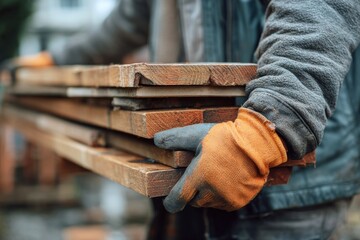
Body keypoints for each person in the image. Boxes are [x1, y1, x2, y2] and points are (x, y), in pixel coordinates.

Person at [8, 0, 360, 239]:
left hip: (281, 181)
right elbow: (127, 21)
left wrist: (266, 129)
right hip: (186, 160)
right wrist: (57, 59)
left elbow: (319, 11)